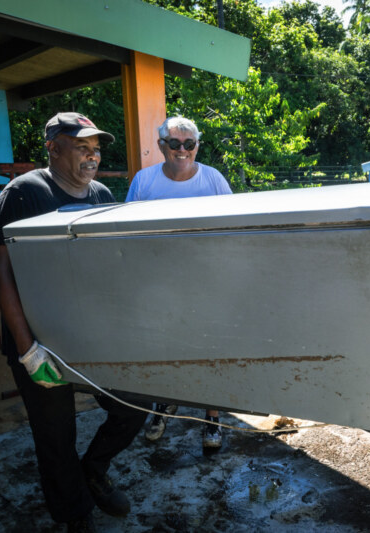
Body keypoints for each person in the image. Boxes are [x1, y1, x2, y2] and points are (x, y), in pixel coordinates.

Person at [0, 112, 148, 532]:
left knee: (135, 404)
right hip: (39, 340)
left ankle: (93, 470)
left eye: (96, 149)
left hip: (93, 335)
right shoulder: (24, 193)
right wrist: (26, 350)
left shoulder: (100, 194)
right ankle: (74, 514)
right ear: (53, 148)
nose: (92, 156)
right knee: (56, 436)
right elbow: (3, 274)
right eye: (82, 147)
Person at [126, 115, 232, 449]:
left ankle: (212, 420)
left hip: (208, 282)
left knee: (208, 350)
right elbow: (127, 233)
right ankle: (163, 406)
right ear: (162, 146)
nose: (182, 150)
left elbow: (235, 228)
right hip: (160, 287)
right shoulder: (144, 182)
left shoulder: (214, 180)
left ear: (197, 146)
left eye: (189, 144)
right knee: (163, 350)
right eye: (174, 143)